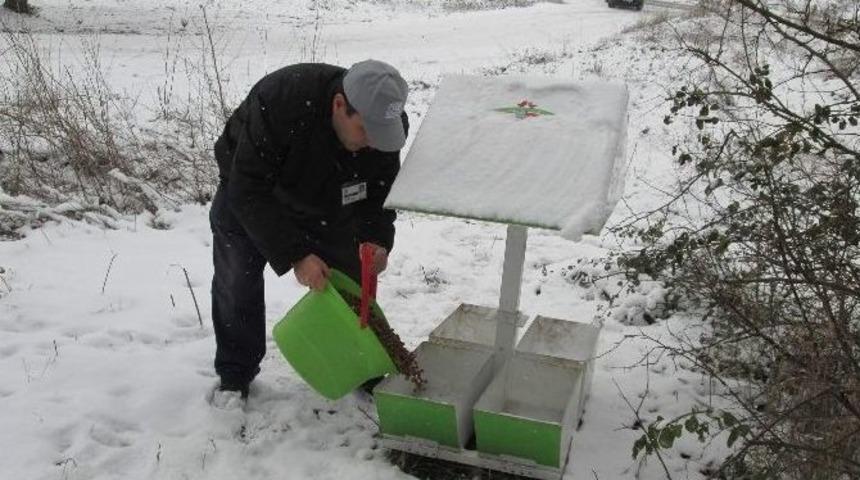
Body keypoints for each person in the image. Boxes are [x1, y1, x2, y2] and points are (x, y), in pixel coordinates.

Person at [209, 59, 409, 406]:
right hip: (253, 194)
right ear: (339, 106)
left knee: (346, 280)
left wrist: (376, 237)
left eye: (382, 136)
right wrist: (296, 255)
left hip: (328, 197)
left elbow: (379, 190)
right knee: (237, 278)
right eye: (365, 132)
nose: (374, 145)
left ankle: (359, 365)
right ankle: (235, 373)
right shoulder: (283, 101)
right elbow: (248, 188)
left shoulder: (384, 129)